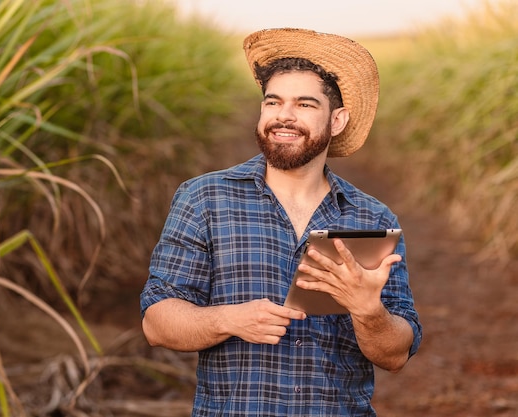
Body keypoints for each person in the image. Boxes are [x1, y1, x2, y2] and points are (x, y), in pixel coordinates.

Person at [140, 28, 422, 416]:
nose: (284, 116)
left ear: (337, 120)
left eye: (305, 104)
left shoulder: (371, 218)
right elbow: (157, 323)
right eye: (273, 102)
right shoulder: (204, 199)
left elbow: (395, 355)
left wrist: (367, 310)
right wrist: (230, 319)